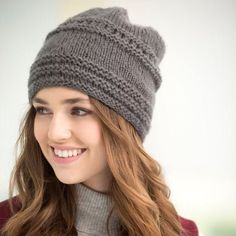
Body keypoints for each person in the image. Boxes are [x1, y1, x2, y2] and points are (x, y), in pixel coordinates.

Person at [0, 7, 199, 236]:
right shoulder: (8, 224)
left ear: (124, 123)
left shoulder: (179, 231)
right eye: (43, 109)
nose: (55, 133)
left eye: (79, 110)